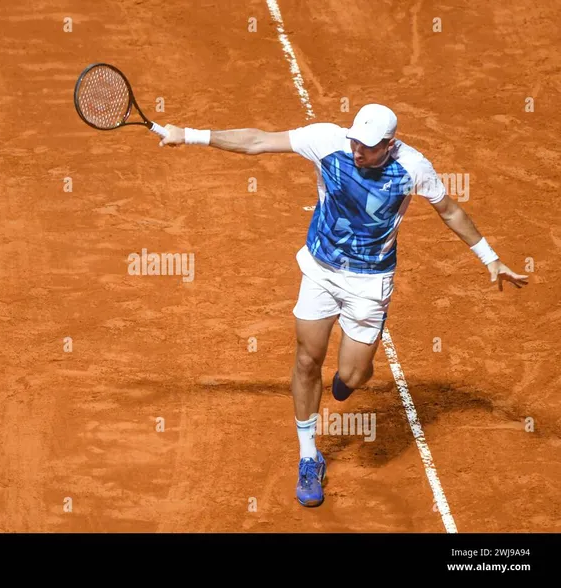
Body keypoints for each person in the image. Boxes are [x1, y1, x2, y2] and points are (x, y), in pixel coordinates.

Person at [158, 104, 529, 507]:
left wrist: (489, 256)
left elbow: (450, 211)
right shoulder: (328, 141)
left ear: (389, 145)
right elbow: (259, 141)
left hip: (370, 283)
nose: (357, 151)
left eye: (368, 147)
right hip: (320, 269)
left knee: (353, 374)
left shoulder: (413, 167)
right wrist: (190, 134)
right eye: (355, 141)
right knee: (306, 360)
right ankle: (308, 456)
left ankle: (349, 379)